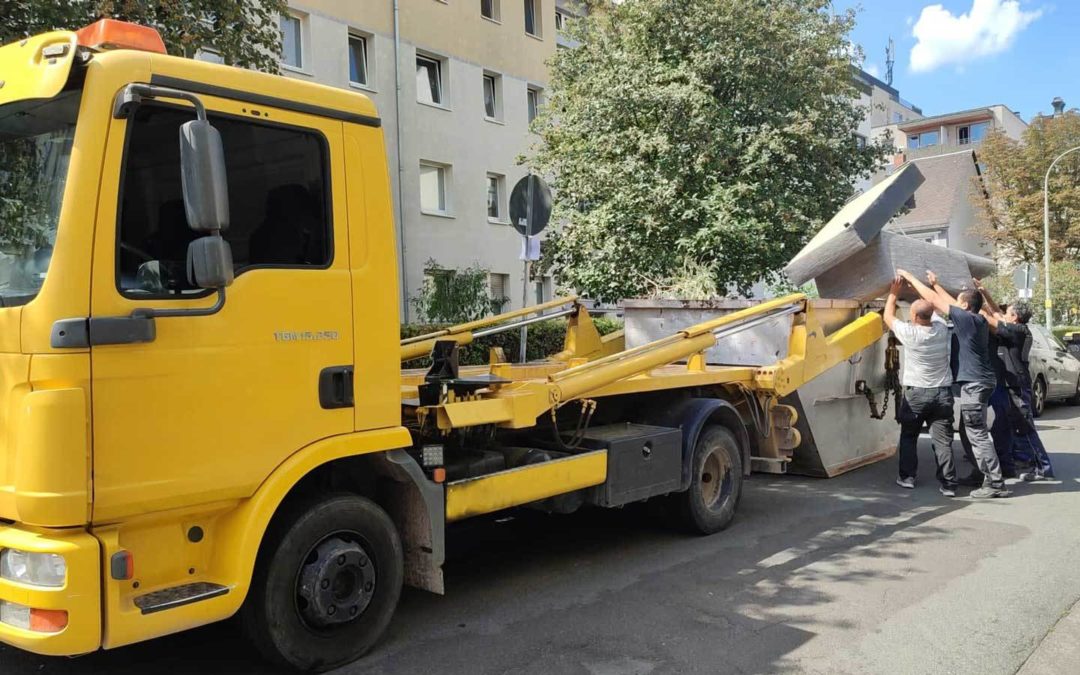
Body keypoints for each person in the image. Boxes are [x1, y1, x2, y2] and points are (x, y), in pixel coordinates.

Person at [897, 269, 1009, 498]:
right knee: (967, 432)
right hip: (983, 380)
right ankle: (980, 474)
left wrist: (910, 279)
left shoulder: (966, 319)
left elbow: (937, 301)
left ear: (965, 307)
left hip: (975, 384)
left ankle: (995, 483)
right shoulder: (977, 318)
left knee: (977, 433)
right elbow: (944, 301)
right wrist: (937, 283)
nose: (955, 305)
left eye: (959, 303)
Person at [883, 276, 958, 497]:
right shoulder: (942, 330)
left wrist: (894, 292)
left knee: (909, 436)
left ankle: (907, 477)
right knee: (942, 441)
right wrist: (919, 290)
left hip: (915, 394)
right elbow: (932, 306)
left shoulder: (910, 333)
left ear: (913, 317)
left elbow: (887, 315)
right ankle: (949, 484)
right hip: (942, 394)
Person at [973, 282, 1054, 481]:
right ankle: (1023, 463)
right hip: (1008, 384)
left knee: (1024, 426)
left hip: (1017, 385)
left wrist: (974, 307)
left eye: (1007, 313)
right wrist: (984, 292)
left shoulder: (1018, 331)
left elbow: (993, 320)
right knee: (1008, 425)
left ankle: (1043, 468)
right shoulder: (1014, 327)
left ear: (1015, 317)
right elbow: (997, 314)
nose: (1003, 314)